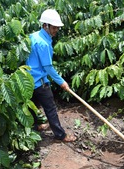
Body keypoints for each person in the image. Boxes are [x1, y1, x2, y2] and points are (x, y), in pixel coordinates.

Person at [26, 9, 76, 142]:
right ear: (45, 25)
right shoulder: (43, 43)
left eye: (57, 28)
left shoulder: (34, 36)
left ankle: (35, 126)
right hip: (40, 82)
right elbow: (48, 67)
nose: (56, 31)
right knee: (51, 109)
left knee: (32, 105)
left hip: (28, 80)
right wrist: (61, 82)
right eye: (54, 28)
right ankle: (61, 135)